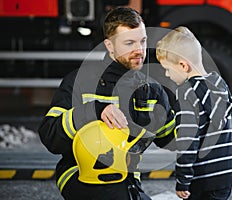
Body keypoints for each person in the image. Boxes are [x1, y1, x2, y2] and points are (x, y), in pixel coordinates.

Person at [38, 7, 175, 200]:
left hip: (126, 180)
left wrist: (199, 118)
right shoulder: (80, 81)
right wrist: (93, 111)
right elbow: (49, 135)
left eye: (142, 41)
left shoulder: (151, 90)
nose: (139, 50)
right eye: (129, 43)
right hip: (79, 175)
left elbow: (169, 138)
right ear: (110, 46)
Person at [156, 26, 232, 200]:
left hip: (203, 178)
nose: (167, 74)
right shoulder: (219, 83)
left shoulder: (186, 93)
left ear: (183, 65)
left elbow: (188, 141)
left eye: (168, 69)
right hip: (226, 173)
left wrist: (183, 180)